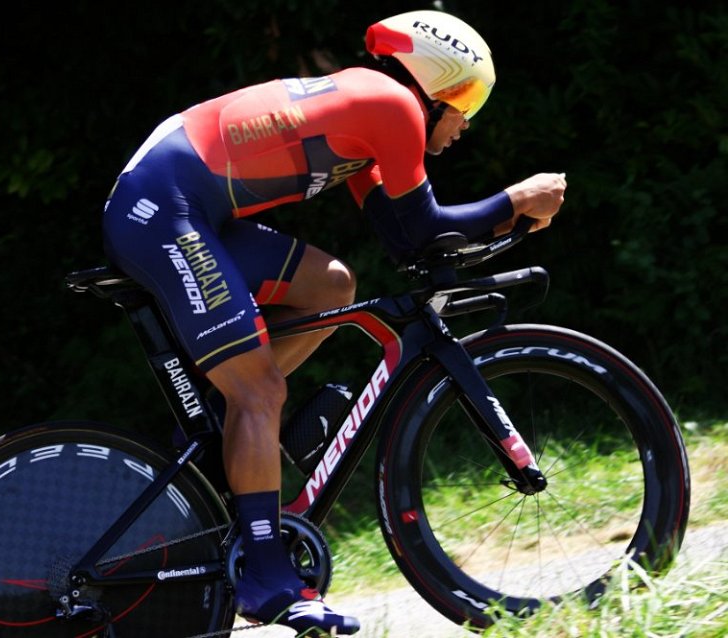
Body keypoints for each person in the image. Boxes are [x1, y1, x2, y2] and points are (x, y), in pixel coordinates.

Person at [101, 9, 566, 636]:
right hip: (164, 207)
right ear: (436, 80)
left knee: (332, 286)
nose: (466, 122)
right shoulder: (392, 105)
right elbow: (429, 226)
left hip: (183, 200)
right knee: (261, 389)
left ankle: (234, 417)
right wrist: (517, 199)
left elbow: (409, 243)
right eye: (467, 100)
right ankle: (267, 578)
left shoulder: (368, 114)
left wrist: (501, 224)